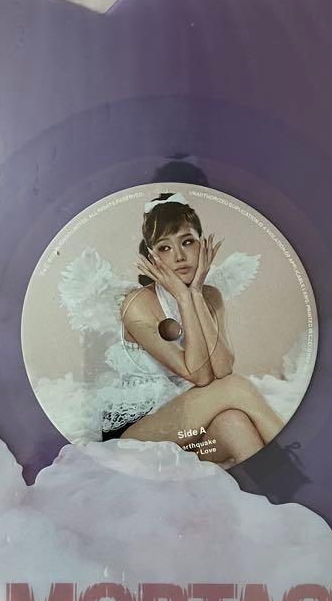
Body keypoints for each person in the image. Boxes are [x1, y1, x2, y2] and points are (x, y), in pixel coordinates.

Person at [103, 192, 284, 467]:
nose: (179, 256)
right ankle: (307, 462)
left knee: (234, 423)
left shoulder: (211, 296)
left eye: (187, 242)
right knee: (236, 388)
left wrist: (196, 294)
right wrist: (184, 297)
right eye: (164, 248)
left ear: (202, 244)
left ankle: (283, 490)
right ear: (152, 257)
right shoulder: (137, 304)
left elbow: (222, 369)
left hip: (189, 423)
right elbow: (200, 375)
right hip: (136, 432)